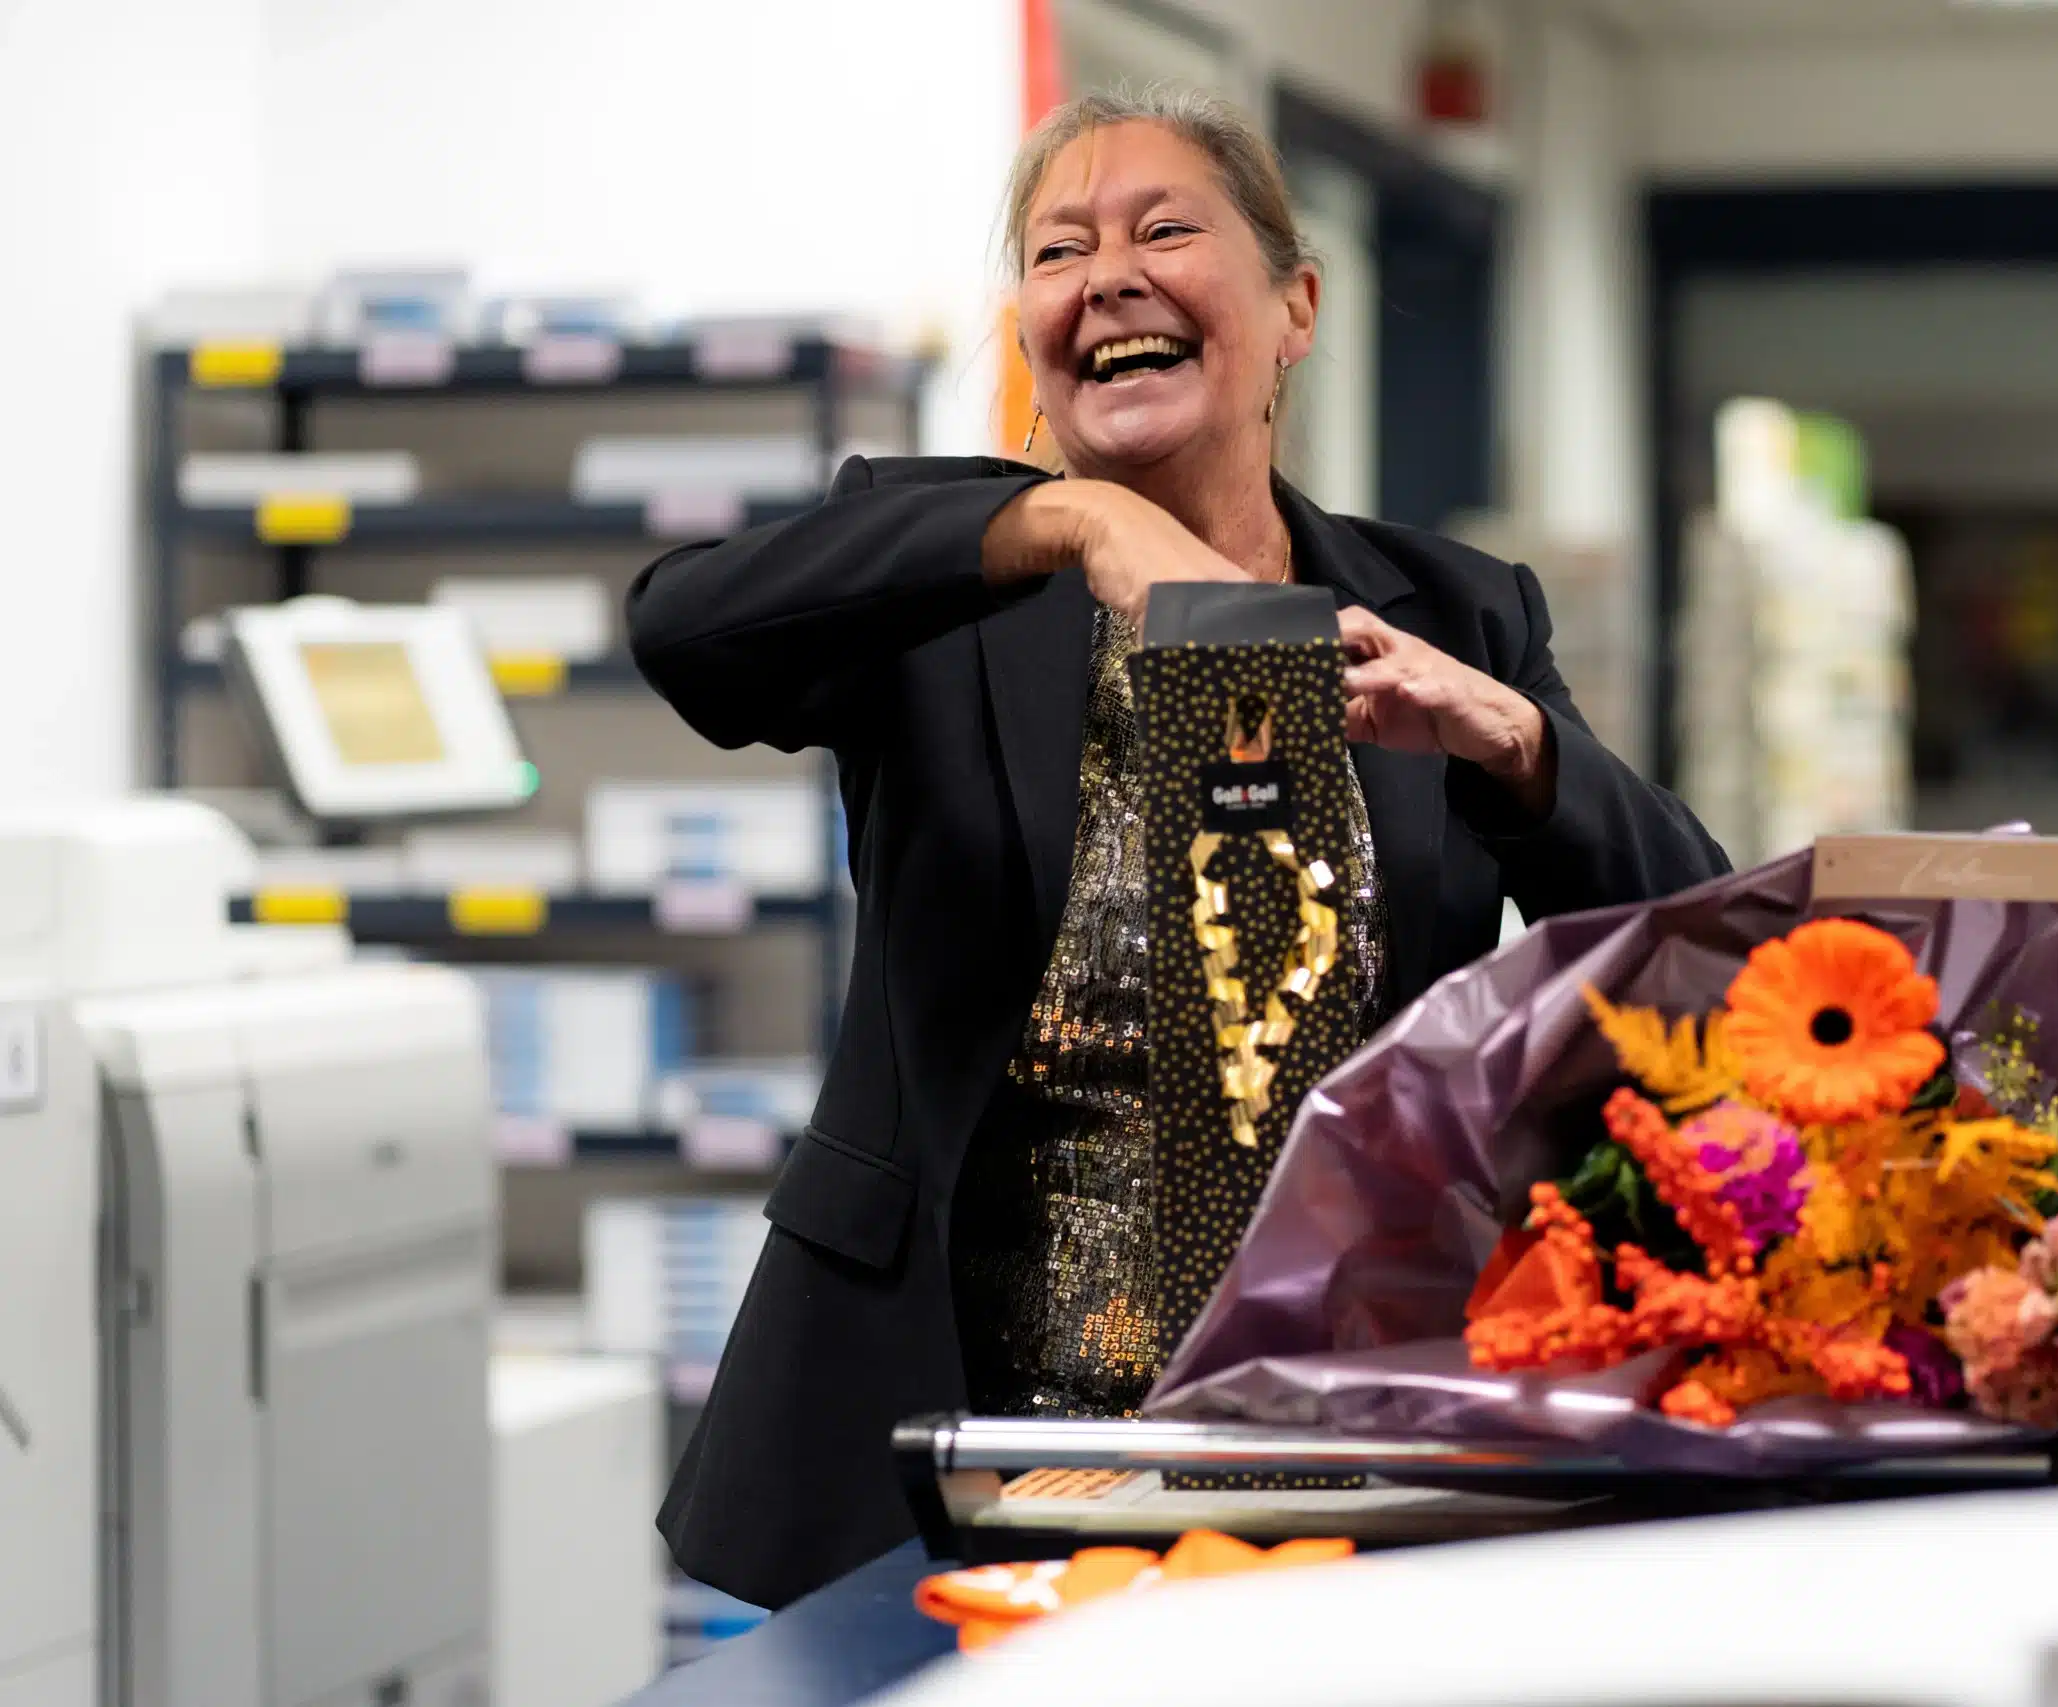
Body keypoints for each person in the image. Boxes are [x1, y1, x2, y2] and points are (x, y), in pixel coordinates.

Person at [628, 84, 1729, 1610]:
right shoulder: (941, 579)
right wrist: (1066, 531)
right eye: (1060, 250)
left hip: (1327, 1444)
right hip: (947, 1454)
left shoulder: (1455, 612)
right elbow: (684, 627)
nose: (1109, 276)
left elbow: (1703, 953)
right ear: (1028, 329)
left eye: (1163, 229)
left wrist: (1518, 746)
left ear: (1294, 305)